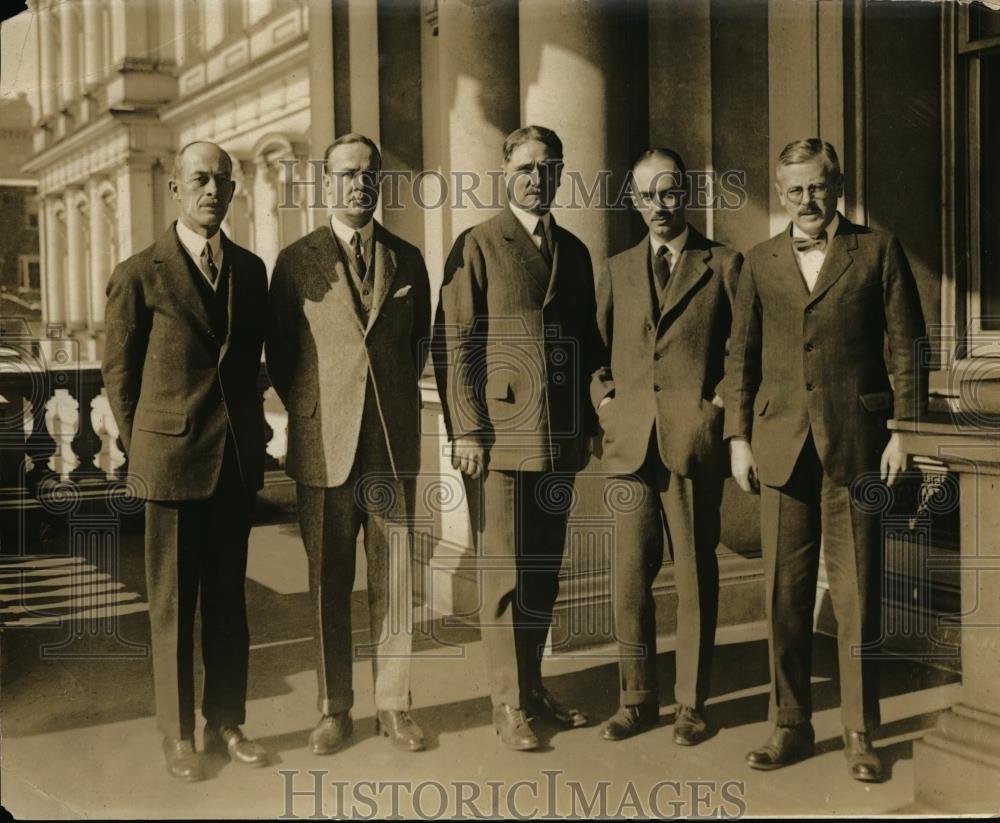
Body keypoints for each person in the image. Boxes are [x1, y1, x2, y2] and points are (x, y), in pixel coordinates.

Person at [724, 138, 927, 782]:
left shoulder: (878, 249)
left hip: (859, 446)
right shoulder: (758, 261)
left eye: (817, 187)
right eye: (794, 190)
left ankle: (861, 732)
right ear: (779, 192)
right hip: (780, 446)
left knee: (857, 592)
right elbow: (740, 357)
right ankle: (789, 723)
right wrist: (738, 438)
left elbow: (906, 347)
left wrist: (903, 432)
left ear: (835, 185)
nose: (806, 201)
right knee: (783, 593)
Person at [102, 141, 269, 781]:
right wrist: (143, 447)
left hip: (233, 463)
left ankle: (227, 722)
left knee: (228, 600)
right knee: (173, 605)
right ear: (175, 188)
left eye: (224, 181)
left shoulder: (250, 270)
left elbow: (255, 363)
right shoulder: (140, 272)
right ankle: (177, 737)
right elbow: (118, 378)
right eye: (200, 179)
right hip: (170, 465)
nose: (213, 191)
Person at [266, 133, 431, 754]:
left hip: (390, 442)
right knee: (328, 581)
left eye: (369, 173)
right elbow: (281, 354)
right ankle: (334, 708)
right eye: (345, 173)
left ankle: (394, 706)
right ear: (325, 182)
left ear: (380, 181)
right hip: (323, 445)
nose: (359, 183)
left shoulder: (409, 259)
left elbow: (419, 344)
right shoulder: (295, 260)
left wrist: (380, 397)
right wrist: (318, 407)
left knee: (393, 580)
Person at [434, 125, 597, 751]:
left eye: (549, 166)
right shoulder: (477, 244)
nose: (538, 177)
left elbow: (585, 346)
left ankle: (532, 688)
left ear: (561, 173)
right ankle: (506, 703)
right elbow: (456, 344)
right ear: (505, 171)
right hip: (497, 439)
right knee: (501, 571)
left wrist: (586, 422)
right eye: (526, 167)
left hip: (558, 438)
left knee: (542, 572)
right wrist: (467, 431)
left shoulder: (575, 251)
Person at [591, 148, 740, 744]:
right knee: (628, 578)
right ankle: (636, 700)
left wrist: (718, 407)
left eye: (670, 191)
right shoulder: (616, 268)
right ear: (634, 200)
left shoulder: (724, 264)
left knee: (696, 578)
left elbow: (743, 351)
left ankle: (691, 705)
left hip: (691, 443)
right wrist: (604, 403)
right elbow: (592, 351)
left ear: (688, 194)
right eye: (647, 194)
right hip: (630, 447)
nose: (659, 205)